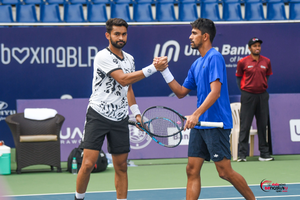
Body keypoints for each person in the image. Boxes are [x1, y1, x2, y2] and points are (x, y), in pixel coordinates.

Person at [157, 18, 256, 200]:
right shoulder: (196, 64)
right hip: (200, 125)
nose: (190, 37)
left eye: (194, 33)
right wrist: (164, 71)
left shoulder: (215, 57)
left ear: (205, 36)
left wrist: (195, 114)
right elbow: (180, 92)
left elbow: (215, 92)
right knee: (191, 169)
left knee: (224, 172)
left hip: (216, 123)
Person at [75, 18, 168, 200]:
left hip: (120, 118)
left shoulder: (130, 59)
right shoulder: (103, 56)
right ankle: (78, 198)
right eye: (116, 34)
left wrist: (137, 113)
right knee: (87, 164)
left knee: (121, 166)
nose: (121, 37)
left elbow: (129, 88)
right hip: (98, 115)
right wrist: (153, 68)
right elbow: (123, 79)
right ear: (108, 35)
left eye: (124, 34)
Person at [236, 37, 274, 162]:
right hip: (248, 96)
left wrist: (262, 87)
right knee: (245, 125)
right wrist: (245, 91)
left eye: (258, 46)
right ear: (249, 48)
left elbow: (267, 76)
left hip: (262, 96)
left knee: (263, 125)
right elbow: (239, 78)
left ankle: (264, 154)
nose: (257, 48)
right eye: (254, 46)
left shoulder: (266, 61)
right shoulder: (243, 62)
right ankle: (242, 155)